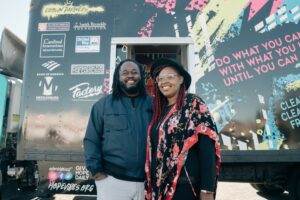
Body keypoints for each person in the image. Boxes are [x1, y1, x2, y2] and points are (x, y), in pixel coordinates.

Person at [145, 58, 221, 200]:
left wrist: (207, 189)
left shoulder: (193, 104)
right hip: (160, 187)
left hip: (185, 187)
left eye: (170, 77)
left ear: (181, 79)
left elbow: (207, 149)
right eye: (160, 79)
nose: (164, 82)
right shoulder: (159, 111)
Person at [83, 59, 152, 200]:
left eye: (134, 72)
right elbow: (91, 139)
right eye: (125, 73)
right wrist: (96, 170)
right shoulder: (103, 105)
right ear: (118, 77)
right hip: (113, 181)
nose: (130, 76)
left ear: (141, 76)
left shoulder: (153, 104)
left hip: (147, 183)